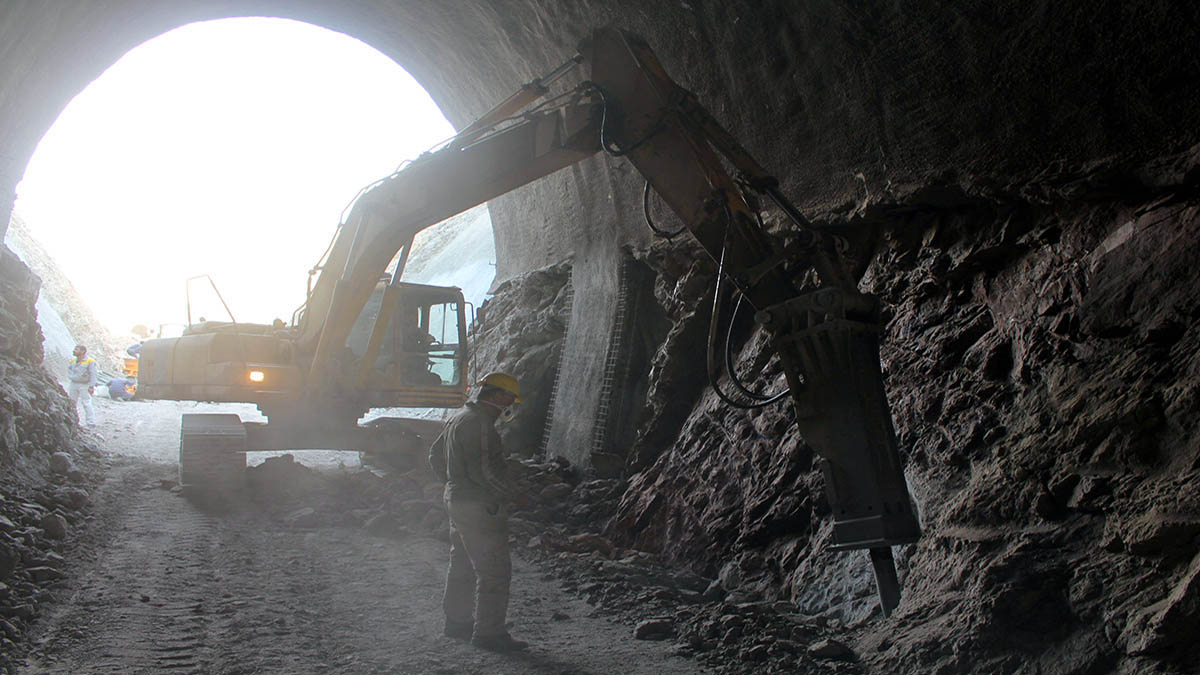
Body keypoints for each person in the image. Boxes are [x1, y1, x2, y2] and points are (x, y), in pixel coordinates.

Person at [432, 372, 528, 652]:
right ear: (497, 396)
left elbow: (434, 454)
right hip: (478, 505)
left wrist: (453, 483)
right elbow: (486, 471)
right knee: (495, 570)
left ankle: (457, 622)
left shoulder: (458, 417)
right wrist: (514, 494)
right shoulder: (481, 424)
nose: (511, 404)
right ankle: (489, 633)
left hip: (456, 500)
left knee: (461, 563)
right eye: (510, 398)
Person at [66, 344, 98, 427]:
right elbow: (69, 370)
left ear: (83, 351)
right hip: (74, 383)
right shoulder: (73, 361)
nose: (74, 351)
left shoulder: (90, 361)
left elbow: (93, 374)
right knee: (72, 403)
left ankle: (90, 422)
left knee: (86, 403)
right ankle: (72, 421)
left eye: (76, 349)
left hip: (84, 385)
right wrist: (71, 377)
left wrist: (91, 386)